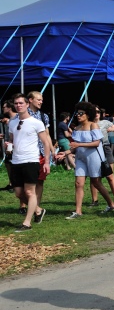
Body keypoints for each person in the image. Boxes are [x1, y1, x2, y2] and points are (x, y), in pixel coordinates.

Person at [8, 94, 51, 231]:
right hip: (16, 160)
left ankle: (27, 223)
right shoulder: (12, 122)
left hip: (31, 160)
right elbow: (12, 140)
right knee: (19, 193)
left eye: (21, 103)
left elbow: (45, 143)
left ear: (27, 104)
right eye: (16, 103)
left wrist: (47, 162)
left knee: (29, 191)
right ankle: (38, 210)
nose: (18, 105)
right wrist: (8, 145)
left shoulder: (36, 122)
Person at [66, 102, 114, 219]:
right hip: (80, 158)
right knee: (78, 183)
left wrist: (78, 145)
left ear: (88, 114)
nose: (78, 115)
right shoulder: (76, 128)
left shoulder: (93, 125)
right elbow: (74, 147)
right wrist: (65, 153)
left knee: (96, 183)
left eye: (81, 113)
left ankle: (111, 204)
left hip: (94, 158)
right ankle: (78, 211)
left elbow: (97, 143)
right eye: (77, 113)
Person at [26, 91, 51, 218]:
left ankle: (37, 208)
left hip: (40, 153)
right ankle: (32, 207)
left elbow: (47, 136)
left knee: (39, 182)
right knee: (26, 183)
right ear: (30, 100)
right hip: (27, 153)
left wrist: (52, 151)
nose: (41, 102)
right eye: (38, 99)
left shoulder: (43, 116)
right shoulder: (23, 114)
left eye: (41, 100)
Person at [90, 106, 114, 205]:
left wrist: (112, 129)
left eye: (98, 111)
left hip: (105, 148)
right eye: (94, 112)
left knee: (110, 176)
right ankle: (95, 200)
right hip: (94, 150)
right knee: (94, 177)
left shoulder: (105, 122)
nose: (96, 113)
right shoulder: (88, 124)